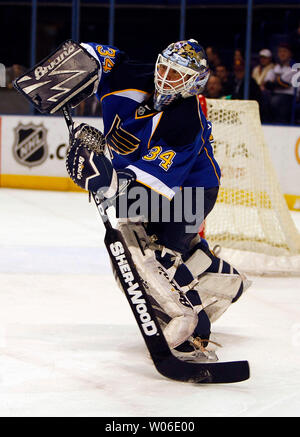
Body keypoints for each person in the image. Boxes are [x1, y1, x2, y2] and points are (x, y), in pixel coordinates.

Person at [66, 39, 250, 359]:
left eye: (176, 74)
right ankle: (225, 281)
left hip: (194, 190)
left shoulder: (186, 119)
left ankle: (195, 332)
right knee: (135, 249)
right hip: (162, 184)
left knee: (160, 255)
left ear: (193, 81)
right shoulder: (134, 75)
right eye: (163, 67)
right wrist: (73, 64)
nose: (165, 77)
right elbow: (106, 57)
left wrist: (106, 179)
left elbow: (152, 179)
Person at [263, 42, 296, 124]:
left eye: (285, 51)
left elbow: (284, 83)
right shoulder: (275, 67)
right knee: (263, 99)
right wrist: (276, 83)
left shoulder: (295, 67)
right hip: (274, 95)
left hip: (289, 96)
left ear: (290, 54)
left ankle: (281, 125)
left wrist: (275, 82)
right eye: (280, 51)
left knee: (275, 101)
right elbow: (267, 84)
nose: (282, 54)